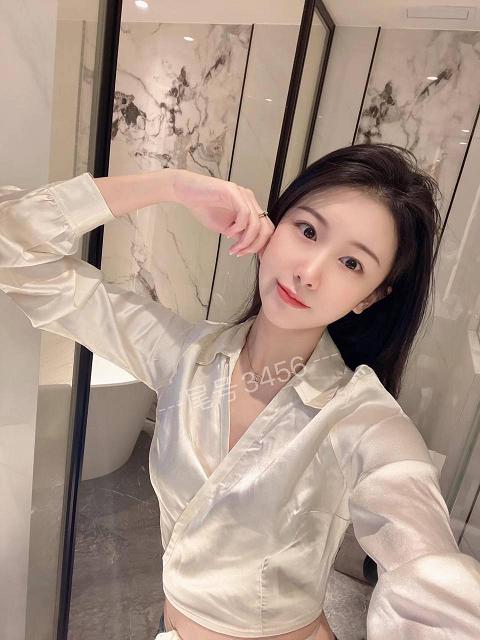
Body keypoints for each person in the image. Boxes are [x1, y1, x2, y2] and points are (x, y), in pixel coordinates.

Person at [1, 143, 479, 640]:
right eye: (307, 230)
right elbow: (13, 251)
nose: (308, 272)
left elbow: (429, 575)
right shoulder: (182, 357)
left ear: (371, 296)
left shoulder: (362, 419)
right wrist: (172, 184)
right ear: (274, 224)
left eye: (351, 263)